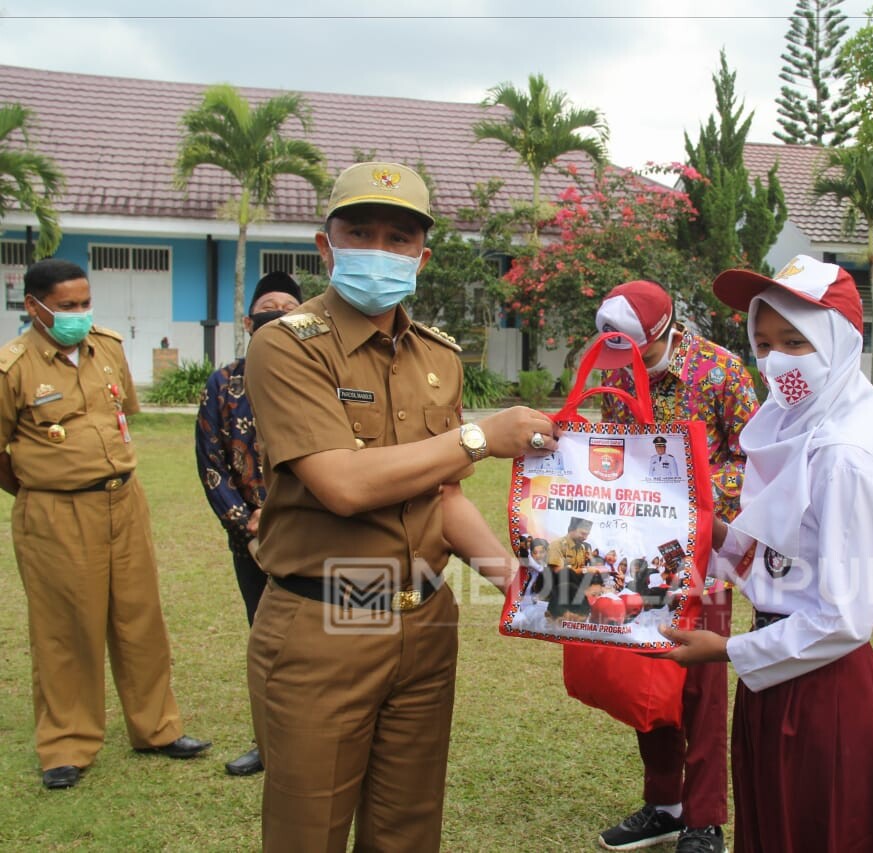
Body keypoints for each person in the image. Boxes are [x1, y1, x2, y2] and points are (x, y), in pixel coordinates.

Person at [242, 161, 556, 852]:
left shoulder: (436, 356)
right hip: (326, 619)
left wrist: (523, 581)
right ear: (325, 246)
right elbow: (344, 485)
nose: (379, 250)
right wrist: (480, 435)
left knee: (408, 828)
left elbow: (441, 495)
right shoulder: (287, 346)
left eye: (398, 237)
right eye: (361, 232)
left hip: (425, 620)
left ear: (422, 255)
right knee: (308, 830)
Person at [661, 255, 873, 853]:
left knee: (816, 830)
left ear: (840, 342)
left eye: (796, 341)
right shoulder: (790, 425)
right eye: (764, 343)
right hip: (772, 673)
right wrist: (696, 531)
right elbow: (765, 550)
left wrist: (728, 650)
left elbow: (844, 619)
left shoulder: (844, 453)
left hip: (822, 687)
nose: (776, 362)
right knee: (770, 826)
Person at [0, 259, 211, 791]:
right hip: (56, 511)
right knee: (67, 629)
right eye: (67, 306)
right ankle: (66, 743)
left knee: (140, 618)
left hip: (124, 500)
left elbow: (123, 417)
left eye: (84, 303)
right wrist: (42, 486)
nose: (79, 314)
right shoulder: (13, 367)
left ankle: (157, 728)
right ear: (34, 307)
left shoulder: (107, 347)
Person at [591, 279, 757, 853]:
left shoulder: (721, 371)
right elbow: (608, 450)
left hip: (702, 555)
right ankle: (663, 804)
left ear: (664, 331)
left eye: (640, 350)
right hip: (637, 551)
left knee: (702, 687)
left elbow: (754, 458)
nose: (629, 364)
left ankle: (704, 818)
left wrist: (695, 489)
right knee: (648, 677)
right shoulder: (613, 375)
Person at [195, 269, 302, 777]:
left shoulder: (320, 378)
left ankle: (322, 738)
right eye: (268, 306)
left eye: (288, 305)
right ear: (248, 320)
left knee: (321, 638)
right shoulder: (224, 382)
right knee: (265, 636)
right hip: (253, 538)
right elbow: (211, 462)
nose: (278, 312)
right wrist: (249, 524)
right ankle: (269, 742)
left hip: (314, 533)